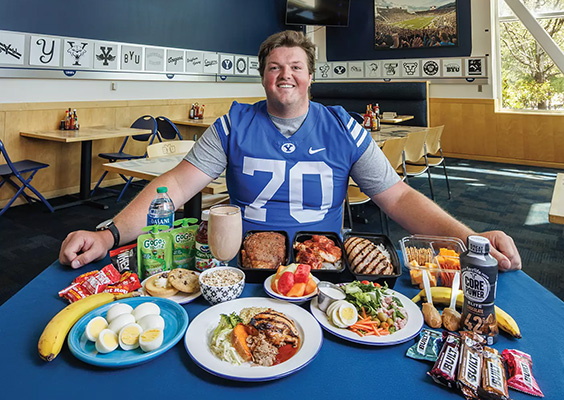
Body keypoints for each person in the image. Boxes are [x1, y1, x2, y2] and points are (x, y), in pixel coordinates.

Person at [59, 30, 521, 272]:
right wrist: (108, 234)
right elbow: (175, 186)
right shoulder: (231, 124)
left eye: (296, 66)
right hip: (238, 266)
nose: (286, 75)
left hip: (319, 268)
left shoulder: (343, 127)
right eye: (275, 67)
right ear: (262, 76)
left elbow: (397, 198)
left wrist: (471, 239)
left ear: (310, 75)